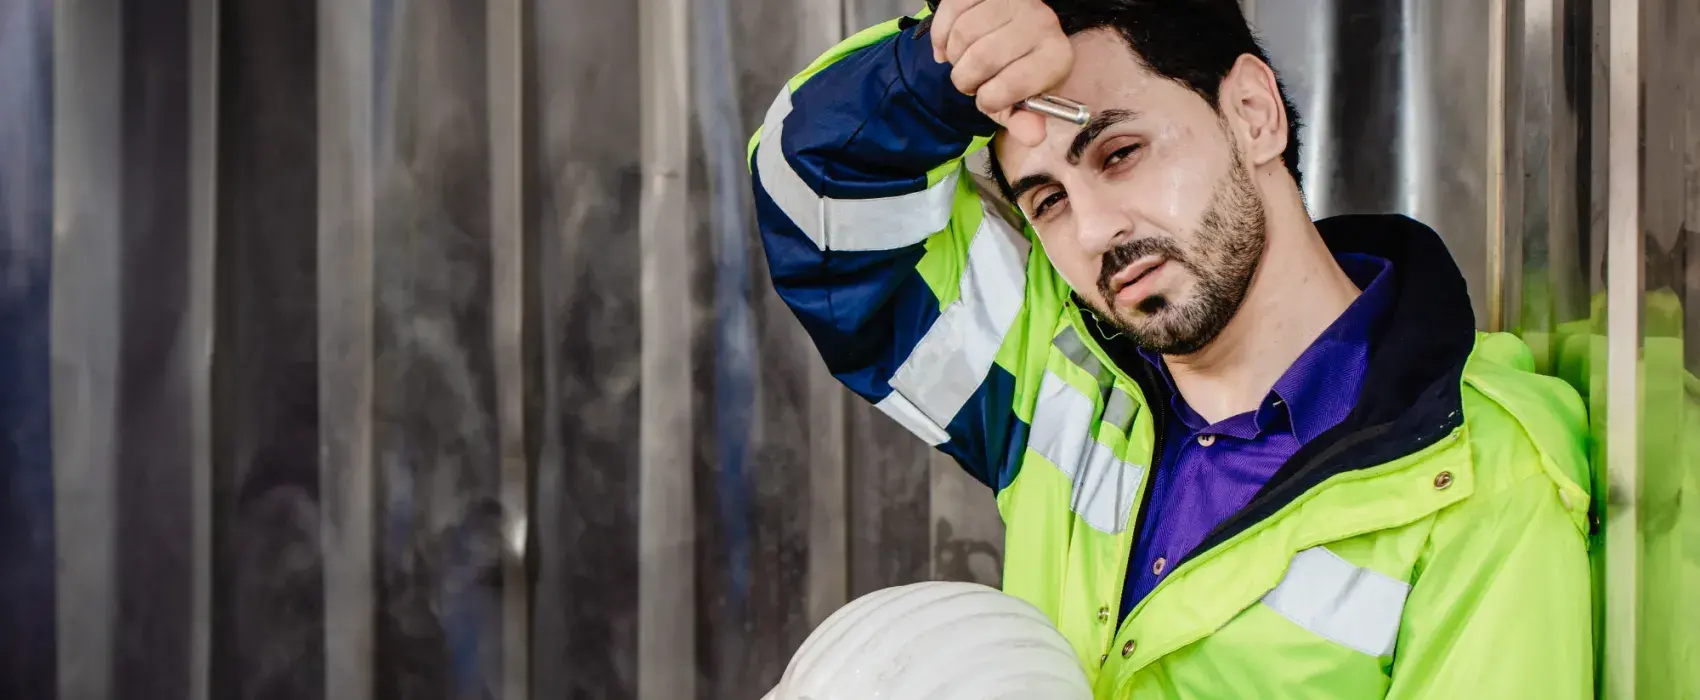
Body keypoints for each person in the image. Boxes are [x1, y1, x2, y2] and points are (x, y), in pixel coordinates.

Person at [746, 0, 1594, 697]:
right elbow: (814, 189)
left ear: (1253, 114)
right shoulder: (1058, 372)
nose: (1096, 232)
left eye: (1120, 153)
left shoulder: (1481, 488)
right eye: (1046, 201)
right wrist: (942, 74)